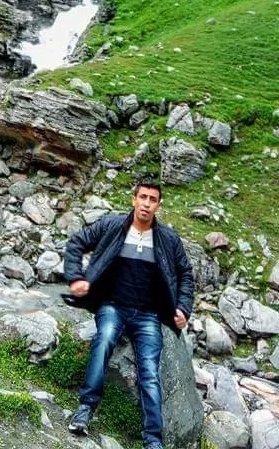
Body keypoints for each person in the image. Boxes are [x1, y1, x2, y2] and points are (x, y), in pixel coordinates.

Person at [63, 178, 194, 446]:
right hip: (113, 306)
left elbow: (186, 274)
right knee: (104, 340)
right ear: (134, 199)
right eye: (143, 197)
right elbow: (77, 242)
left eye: (152, 199)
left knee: (149, 371)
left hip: (148, 315)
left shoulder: (168, 239)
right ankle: (86, 409)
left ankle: (153, 439)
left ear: (158, 205)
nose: (146, 204)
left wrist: (183, 308)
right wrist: (76, 277)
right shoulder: (112, 225)